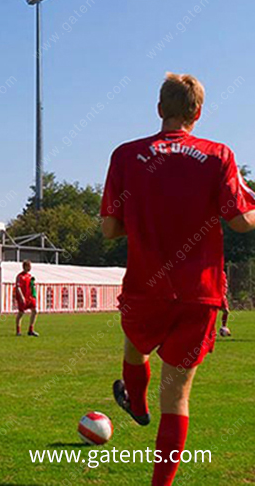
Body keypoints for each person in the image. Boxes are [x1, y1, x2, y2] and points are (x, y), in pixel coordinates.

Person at [100, 73, 255, 486]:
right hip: (198, 293)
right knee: (178, 398)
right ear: (198, 113)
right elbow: (240, 222)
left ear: (158, 108)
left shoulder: (126, 155)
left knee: (134, 351)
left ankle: (135, 401)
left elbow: (110, 230)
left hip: (144, 288)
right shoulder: (218, 154)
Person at [14, 261, 38, 337]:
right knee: (21, 313)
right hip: (22, 297)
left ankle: (31, 330)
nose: (30, 268)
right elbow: (18, 287)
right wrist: (21, 297)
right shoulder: (20, 276)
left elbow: (32, 286)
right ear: (24, 266)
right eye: (29, 266)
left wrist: (34, 294)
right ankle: (18, 331)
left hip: (30, 297)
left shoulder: (30, 276)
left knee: (35, 311)